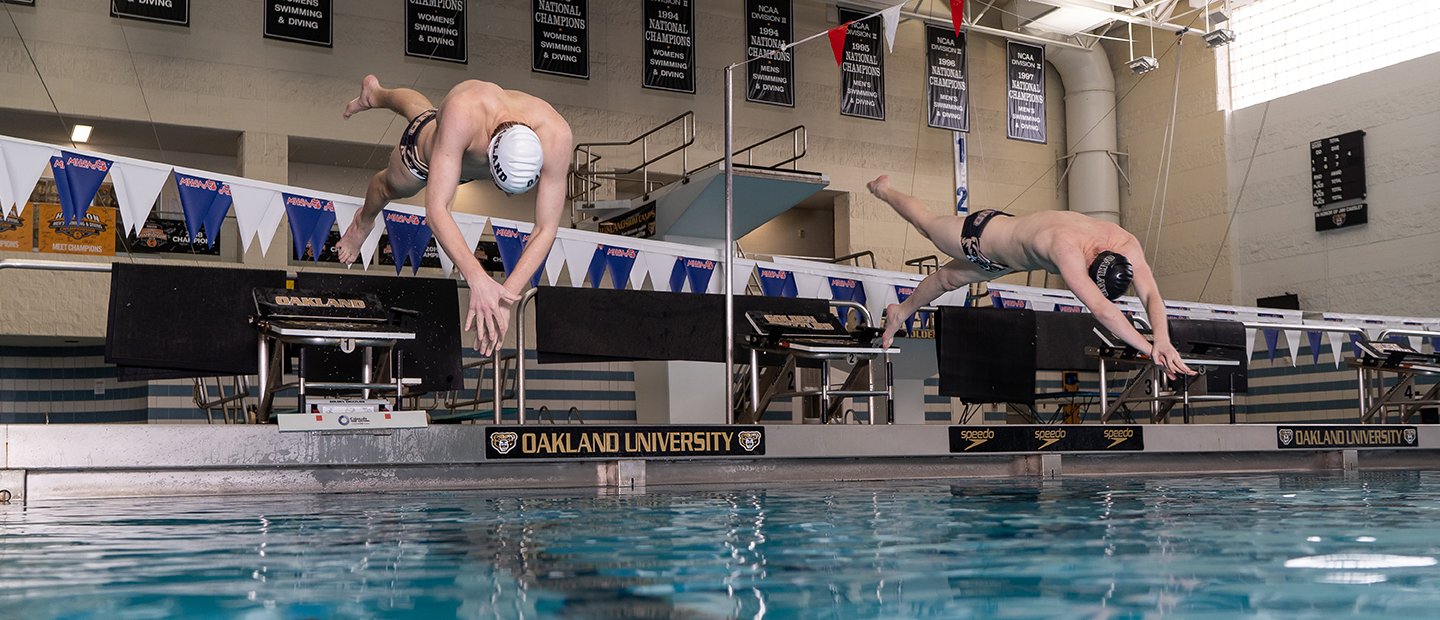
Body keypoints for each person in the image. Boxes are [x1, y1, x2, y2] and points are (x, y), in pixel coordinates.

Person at [866, 175, 1195, 380]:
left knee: (945, 281)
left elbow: (1151, 294)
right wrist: (1149, 349)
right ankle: (885, 189)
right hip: (982, 236)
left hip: (1005, 260)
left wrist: (1162, 339)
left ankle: (900, 312)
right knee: (927, 225)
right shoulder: (1066, 248)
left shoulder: (1125, 244)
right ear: (1092, 261)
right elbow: (1102, 310)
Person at [340, 75, 572, 355]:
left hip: (457, 151)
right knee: (389, 186)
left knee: (422, 110)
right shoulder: (464, 111)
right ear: (491, 151)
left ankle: (372, 93)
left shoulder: (556, 135)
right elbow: (437, 210)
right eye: (503, 186)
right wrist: (477, 278)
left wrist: (506, 297)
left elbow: (546, 228)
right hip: (424, 156)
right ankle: (362, 222)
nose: (508, 198)